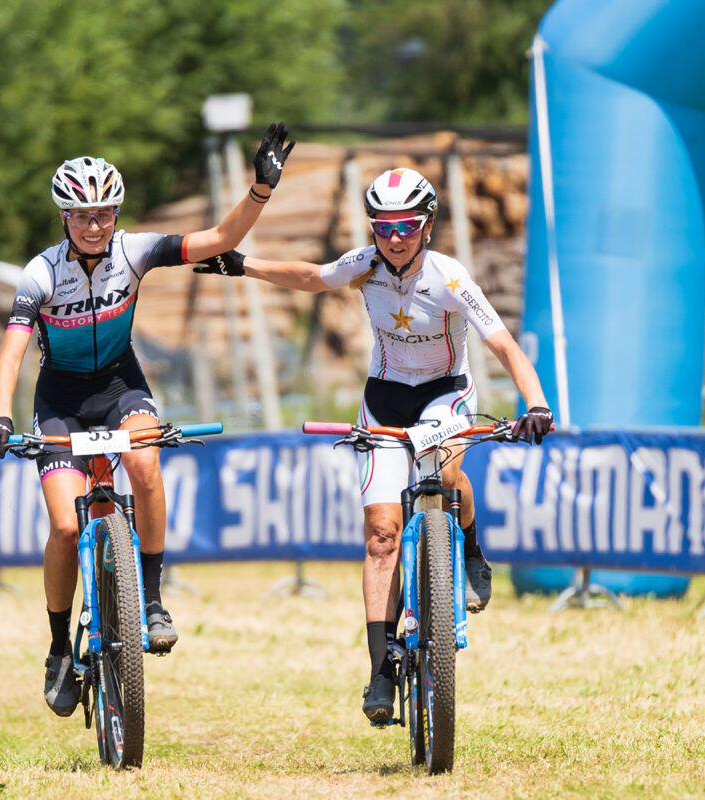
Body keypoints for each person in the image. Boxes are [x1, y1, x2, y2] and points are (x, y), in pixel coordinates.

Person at [194, 167, 553, 723]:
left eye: (406, 226)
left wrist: (535, 403)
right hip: (385, 400)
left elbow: (502, 343)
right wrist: (243, 265)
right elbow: (313, 278)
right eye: (383, 227)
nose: (394, 238)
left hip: (445, 397)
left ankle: (473, 550)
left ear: (427, 226)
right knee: (382, 535)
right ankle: (381, 669)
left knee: (450, 475)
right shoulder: (366, 266)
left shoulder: (450, 277)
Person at [0, 123, 295, 718]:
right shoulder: (39, 274)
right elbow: (12, 352)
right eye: (81, 216)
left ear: (117, 214)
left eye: (103, 214)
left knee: (145, 464)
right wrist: (0, 415)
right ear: (64, 218)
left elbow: (220, 237)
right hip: (61, 401)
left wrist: (260, 189)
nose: (94, 226)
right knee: (67, 529)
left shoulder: (136, 250)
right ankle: (57, 650)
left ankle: (150, 598)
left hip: (122, 385)